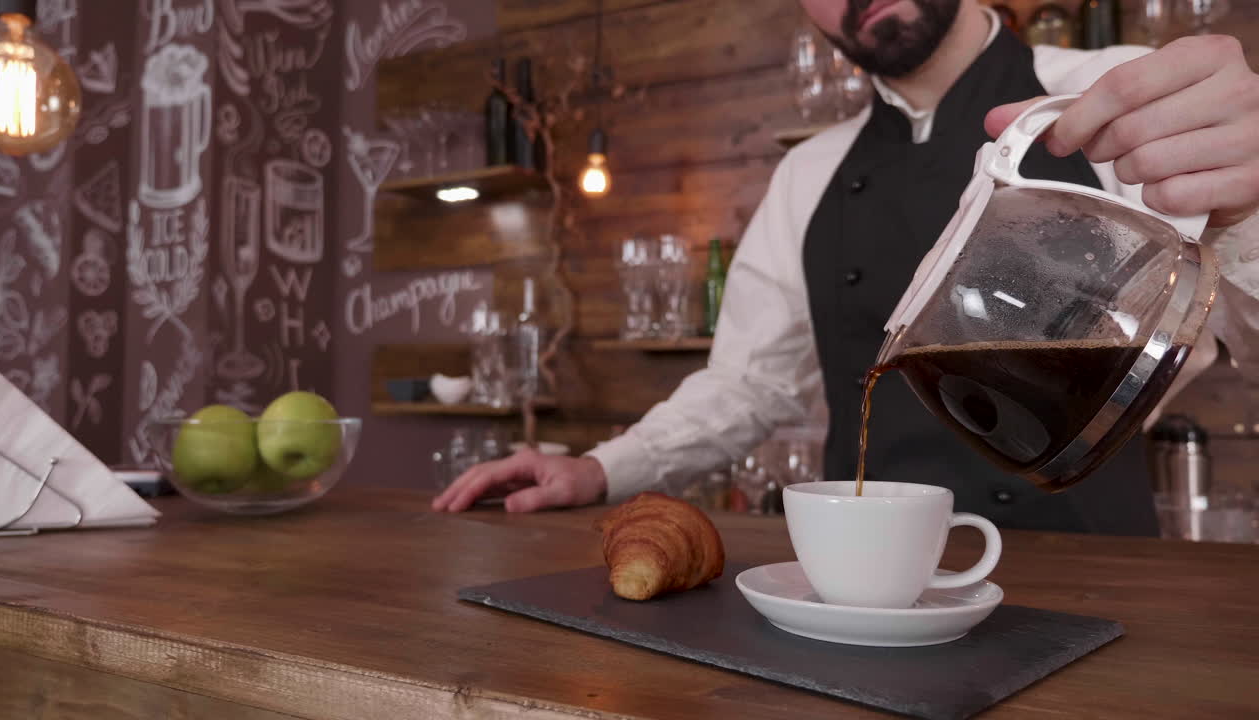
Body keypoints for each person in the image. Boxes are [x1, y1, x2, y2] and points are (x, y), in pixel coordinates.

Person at [434, 0, 1259, 534]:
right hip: (868, 600)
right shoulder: (809, 173)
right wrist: (598, 470)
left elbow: (1241, 336)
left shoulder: (1118, 95)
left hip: (1097, 580)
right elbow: (748, 385)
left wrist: (1250, 209)